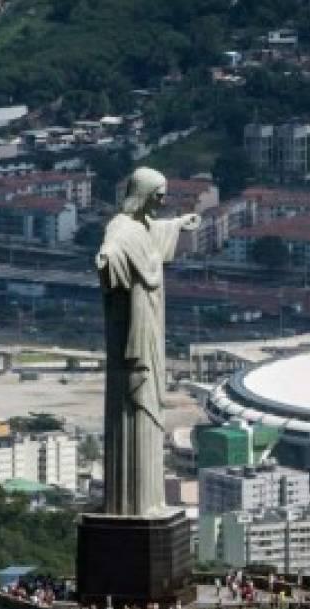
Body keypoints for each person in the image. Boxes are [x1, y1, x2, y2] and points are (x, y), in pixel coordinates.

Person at [95, 167, 200, 517]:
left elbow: (154, 233)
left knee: (151, 401)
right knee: (134, 406)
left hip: (152, 322)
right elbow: (112, 247)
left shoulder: (142, 226)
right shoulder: (121, 228)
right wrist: (107, 259)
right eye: (158, 195)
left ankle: (150, 501)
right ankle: (132, 504)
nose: (162, 202)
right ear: (142, 194)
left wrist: (179, 224)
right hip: (134, 328)